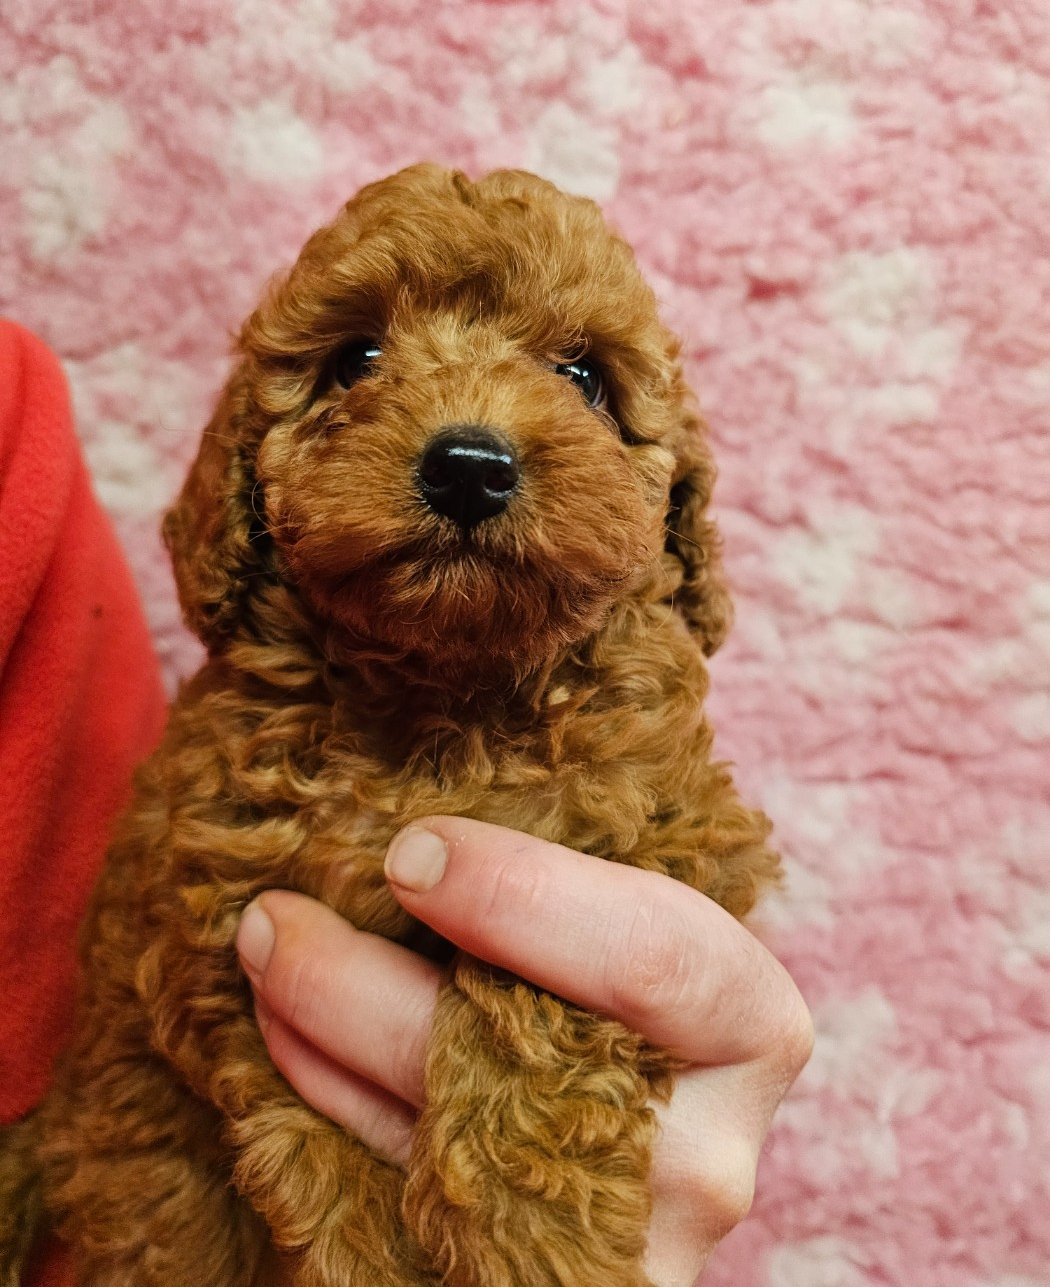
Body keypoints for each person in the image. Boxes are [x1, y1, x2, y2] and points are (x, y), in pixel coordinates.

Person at [0, 322, 812, 1286]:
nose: (470, 439)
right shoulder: (236, 757)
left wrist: (536, 1113)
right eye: (360, 364)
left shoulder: (633, 749)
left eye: (583, 378)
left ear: (678, 510)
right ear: (239, 470)